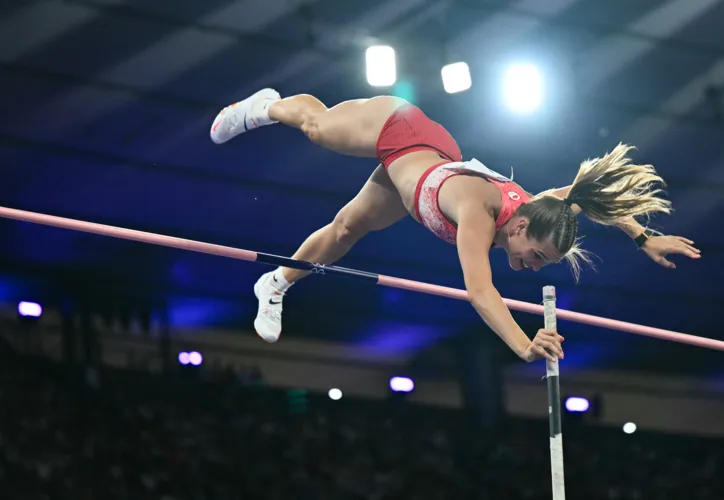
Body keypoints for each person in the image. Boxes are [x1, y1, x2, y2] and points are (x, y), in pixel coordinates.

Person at [209, 89, 701, 363]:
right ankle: (261, 108)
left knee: (343, 231)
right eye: (536, 255)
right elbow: (480, 292)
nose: (530, 267)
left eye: (541, 264)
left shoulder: (546, 208)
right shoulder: (478, 210)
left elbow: (591, 195)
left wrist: (644, 237)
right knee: (317, 128)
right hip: (398, 130)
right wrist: (524, 344)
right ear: (521, 223)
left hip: (417, 177)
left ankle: (274, 282)